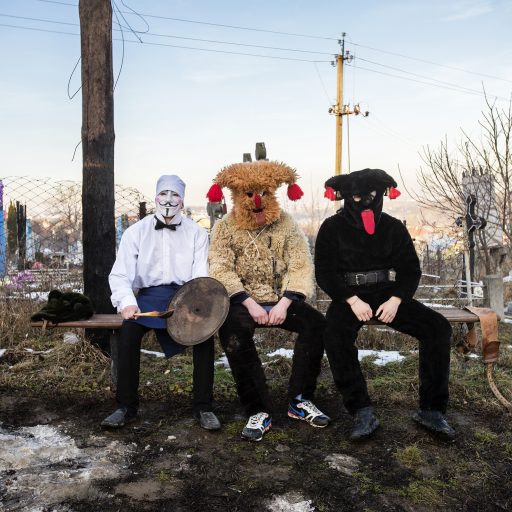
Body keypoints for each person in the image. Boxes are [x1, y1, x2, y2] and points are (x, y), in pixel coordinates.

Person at [315, 168, 455, 440]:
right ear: (345, 196)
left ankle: (432, 410)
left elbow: (410, 269)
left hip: (386, 292)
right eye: (357, 196)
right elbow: (324, 272)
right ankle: (361, 410)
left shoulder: (392, 227)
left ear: (381, 195)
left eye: (371, 195)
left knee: (437, 328)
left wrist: (396, 299)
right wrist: (351, 299)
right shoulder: (331, 228)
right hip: (348, 294)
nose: (365, 202)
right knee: (334, 335)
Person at [206, 159, 329, 442]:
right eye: (249, 194)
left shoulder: (286, 224)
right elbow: (220, 267)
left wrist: (286, 302)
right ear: (238, 196)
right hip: (243, 301)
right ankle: (257, 409)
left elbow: (300, 264)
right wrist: (248, 302)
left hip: (280, 297)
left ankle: (300, 399)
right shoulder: (225, 228)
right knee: (233, 333)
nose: (257, 200)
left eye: (263, 192)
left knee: (317, 325)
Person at [101, 175, 221, 431]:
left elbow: (201, 275)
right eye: (164, 193)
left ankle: (203, 406)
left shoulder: (197, 233)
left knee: (204, 337)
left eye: (175, 194)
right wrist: (127, 303)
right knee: (129, 331)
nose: (169, 199)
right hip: (147, 297)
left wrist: (196, 307)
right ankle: (126, 406)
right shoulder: (136, 232)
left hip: (185, 296)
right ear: (155, 197)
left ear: (183, 199)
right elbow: (121, 274)